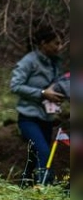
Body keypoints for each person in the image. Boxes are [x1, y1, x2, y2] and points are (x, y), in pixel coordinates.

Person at [9, 26, 65, 186]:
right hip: (28, 118)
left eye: (60, 43)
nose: (59, 47)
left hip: (46, 118)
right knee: (44, 152)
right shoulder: (29, 62)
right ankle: (45, 192)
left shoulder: (54, 63)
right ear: (43, 43)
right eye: (56, 43)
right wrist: (42, 93)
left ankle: (24, 187)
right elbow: (15, 86)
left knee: (33, 156)